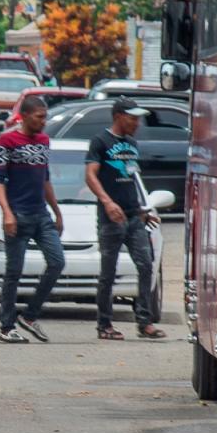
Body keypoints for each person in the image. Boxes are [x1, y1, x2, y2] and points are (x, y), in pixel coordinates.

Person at [86, 98, 165, 341]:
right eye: (133, 117)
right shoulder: (100, 141)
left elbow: (129, 179)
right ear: (119, 116)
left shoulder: (132, 144)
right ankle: (104, 324)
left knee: (146, 265)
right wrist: (107, 202)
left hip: (133, 217)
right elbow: (90, 175)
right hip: (112, 218)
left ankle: (144, 321)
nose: (137, 123)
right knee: (108, 272)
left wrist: (143, 211)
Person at [0, 94, 64, 343]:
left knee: (57, 262)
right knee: (14, 272)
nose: (44, 122)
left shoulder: (44, 141)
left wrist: (57, 211)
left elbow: (45, 179)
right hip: (18, 215)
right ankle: (6, 327)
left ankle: (30, 315)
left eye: (46, 117)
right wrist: (7, 213)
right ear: (24, 116)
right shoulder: (6, 140)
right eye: (40, 117)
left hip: (41, 214)